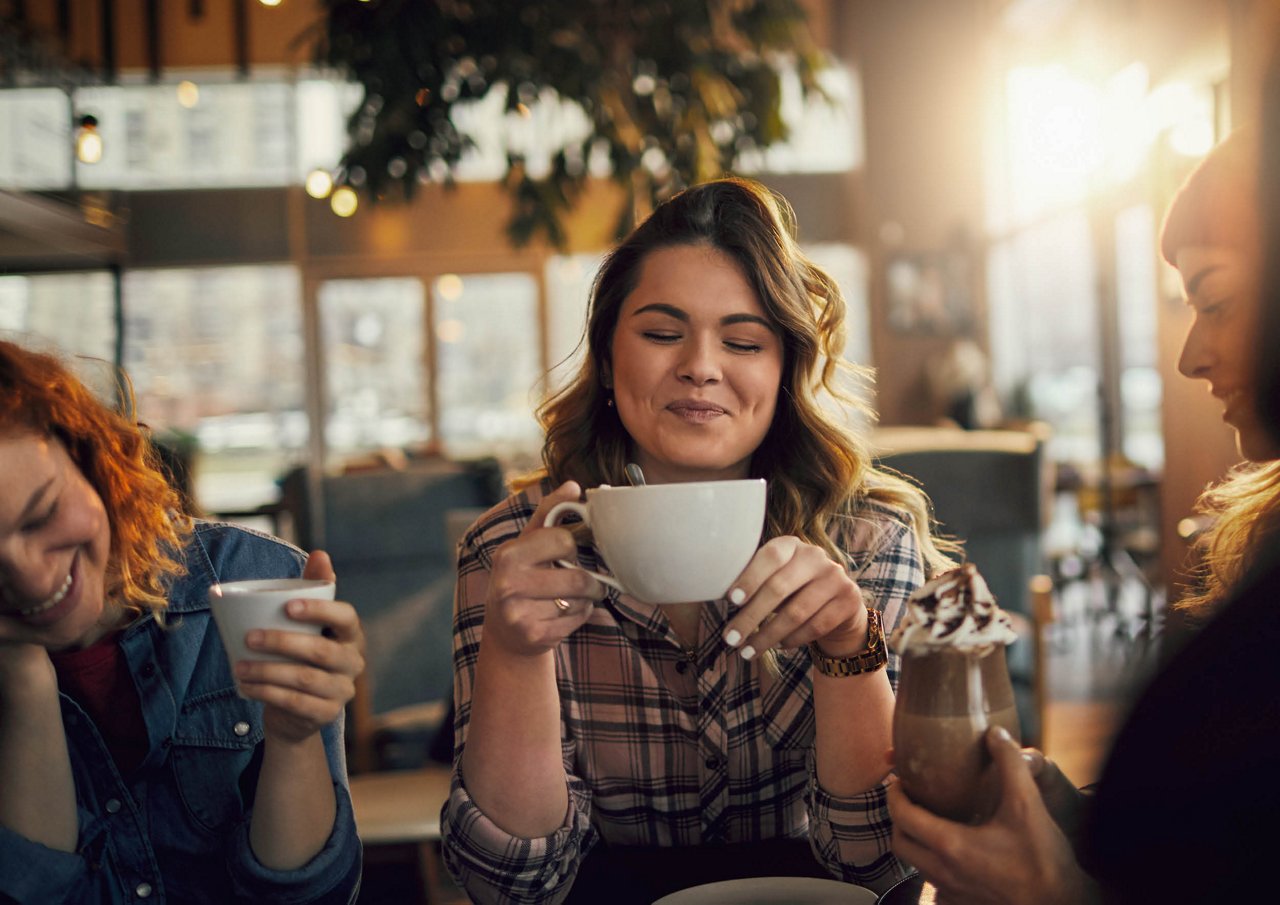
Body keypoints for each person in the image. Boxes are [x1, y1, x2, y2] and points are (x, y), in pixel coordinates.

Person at [439, 177, 957, 903]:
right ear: (610, 359)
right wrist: (516, 653)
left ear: (784, 372)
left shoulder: (867, 544)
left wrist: (849, 643)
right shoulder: (513, 553)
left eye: (743, 340)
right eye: (660, 333)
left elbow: (878, 864)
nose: (701, 366)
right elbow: (512, 884)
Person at [885, 123, 1280, 904]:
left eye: (1220, 302)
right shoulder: (1259, 538)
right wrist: (1075, 815)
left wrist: (1054, 891)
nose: (1188, 355)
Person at [0, 340, 365, 904]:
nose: (29, 579)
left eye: (43, 513)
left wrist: (294, 738)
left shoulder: (256, 577)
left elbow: (311, 896)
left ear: (91, 460)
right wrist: (22, 676)